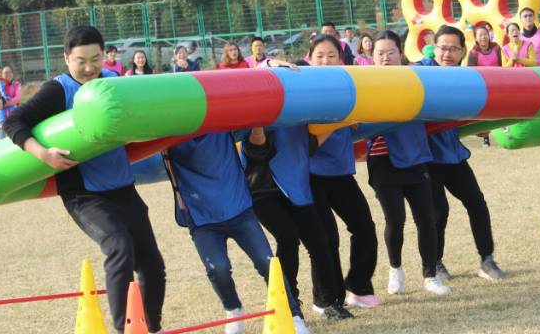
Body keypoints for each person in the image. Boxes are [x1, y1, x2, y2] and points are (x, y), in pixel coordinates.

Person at [3, 26, 166, 334]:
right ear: (67, 58)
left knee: (152, 263)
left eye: (96, 59)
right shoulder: (58, 90)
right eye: (81, 60)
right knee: (119, 245)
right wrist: (43, 154)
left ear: (105, 55)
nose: (90, 68)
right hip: (83, 194)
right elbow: (13, 121)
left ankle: (151, 327)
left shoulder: (113, 81)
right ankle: (124, 329)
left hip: (122, 186)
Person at [163, 132, 312, 334]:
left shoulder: (222, 127)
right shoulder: (172, 135)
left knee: (268, 264)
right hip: (202, 217)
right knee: (218, 269)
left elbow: (254, 137)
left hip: (239, 209)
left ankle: (293, 316)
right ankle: (233, 310)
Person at [244, 89, 353, 320]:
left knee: (320, 242)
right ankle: (289, 304)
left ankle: (328, 303)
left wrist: (339, 123)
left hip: (297, 188)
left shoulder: (301, 110)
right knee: (288, 238)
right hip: (264, 190)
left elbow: (307, 146)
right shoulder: (266, 103)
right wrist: (258, 127)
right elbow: (256, 152)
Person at [421, 25, 507, 281]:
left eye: (453, 49)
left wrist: (477, 126)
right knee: (438, 210)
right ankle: (435, 263)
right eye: (443, 48)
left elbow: (471, 107)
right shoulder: (420, 71)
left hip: (453, 154)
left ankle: (487, 259)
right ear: (434, 48)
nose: (447, 54)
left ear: (462, 52)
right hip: (426, 157)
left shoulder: (464, 77)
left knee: (476, 203)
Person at [367, 31, 449, 296]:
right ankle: (396, 270)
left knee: (427, 219)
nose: (386, 58)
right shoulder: (363, 82)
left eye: (391, 52)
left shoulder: (415, 77)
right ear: (371, 57)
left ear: (400, 53)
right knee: (395, 220)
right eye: (380, 53)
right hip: (382, 160)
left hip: (416, 157)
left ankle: (430, 275)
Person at [305, 34, 380, 311]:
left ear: (341, 58)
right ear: (309, 60)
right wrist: (341, 121)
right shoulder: (303, 87)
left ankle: (358, 287)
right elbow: (307, 143)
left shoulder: (348, 85)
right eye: (320, 56)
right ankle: (326, 300)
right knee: (325, 239)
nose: (326, 61)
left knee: (364, 228)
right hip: (311, 175)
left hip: (340, 173)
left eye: (332, 56)